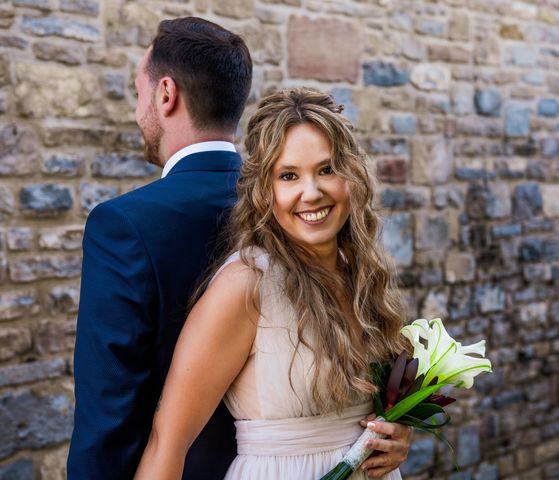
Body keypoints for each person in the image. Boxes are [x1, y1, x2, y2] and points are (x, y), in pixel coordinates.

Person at [134, 87, 412, 479]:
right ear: (266, 191)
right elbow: (168, 441)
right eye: (288, 176)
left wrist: (396, 434)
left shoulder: (363, 276)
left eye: (327, 169)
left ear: (352, 175)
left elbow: (370, 411)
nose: (311, 193)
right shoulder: (247, 285)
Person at [67, 17, 253, 480]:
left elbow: (108, 410)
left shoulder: (123, 225)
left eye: (138, 93)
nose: (137, 111)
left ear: (166, 94)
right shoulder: (295, 211)